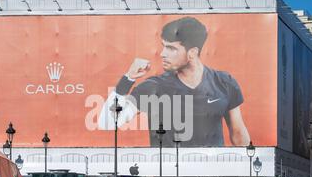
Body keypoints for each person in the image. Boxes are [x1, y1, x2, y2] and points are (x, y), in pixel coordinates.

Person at [98, 16, 250, 148]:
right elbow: (107, 122)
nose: (163, 54)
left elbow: (238, 134)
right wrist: (128, 78)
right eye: (163, 47)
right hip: (166, 173)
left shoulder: (224, 82)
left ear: (192, 53)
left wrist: (248, 167)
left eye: (171, 48)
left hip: (212, 172)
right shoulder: (154, 87)